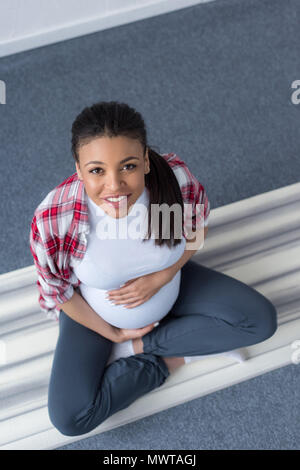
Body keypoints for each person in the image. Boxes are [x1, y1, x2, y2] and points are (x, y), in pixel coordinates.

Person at [29, 101, 278, 437]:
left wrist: (162, 276)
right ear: (78, 170)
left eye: (128, 166)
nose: (115, 186)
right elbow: (57, 291)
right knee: (70, 417)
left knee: (260, 321)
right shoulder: (55, 218)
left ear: (146, 160)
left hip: (173, 286)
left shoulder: (172, 179)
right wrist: (113, 334)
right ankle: (169, 357)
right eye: (97, 171)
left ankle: (143, 350)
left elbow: (197, 227)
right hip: (96, 317)